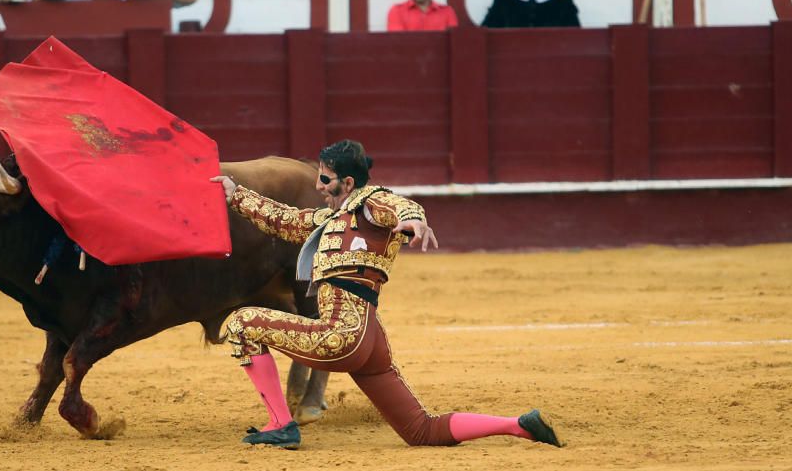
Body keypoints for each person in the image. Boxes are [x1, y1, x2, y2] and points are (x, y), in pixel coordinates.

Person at [210, 140, 563, 450]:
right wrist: (235, 193)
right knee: (421, 429)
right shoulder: (332, 218)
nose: (317, 185)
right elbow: (284, 219)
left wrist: (413, 222)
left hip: (342, 335)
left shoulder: (371, 204)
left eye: (324, 178)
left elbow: (401, 207)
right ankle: (517, 425)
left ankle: (279, 425)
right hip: (369, 340)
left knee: (241, 322)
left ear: (347, 182)